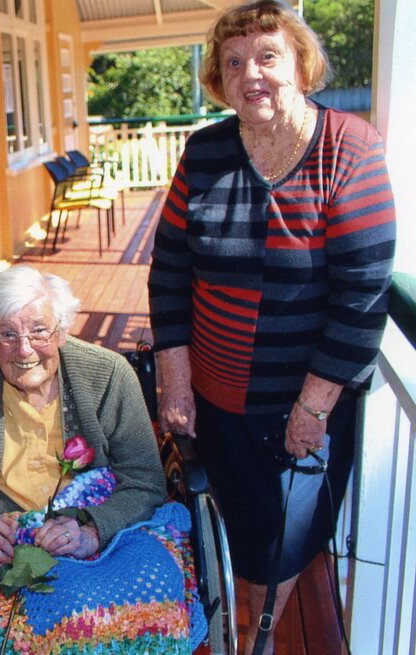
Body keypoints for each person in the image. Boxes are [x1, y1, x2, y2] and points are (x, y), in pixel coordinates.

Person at [148, 2, 396, 653]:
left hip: (304, 405)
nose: (249, 73)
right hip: (218, 400)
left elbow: (362, 296)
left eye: (266, 56)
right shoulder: (204, 152)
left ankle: (253, 639)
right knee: (239, 529)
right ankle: (246, 625)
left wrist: (313, 407)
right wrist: (174, 379)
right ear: (218, 80)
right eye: (233, 62)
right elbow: (170, 271)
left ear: (300, 65)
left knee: (280, 546)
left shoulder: (349, 147)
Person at [0, 266, 207, 654]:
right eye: (8, 335)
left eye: (38, 330)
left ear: (62, 329)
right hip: (14, 545)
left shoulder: (109, 376)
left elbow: (146, 483)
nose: (25, 349)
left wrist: (92, 530)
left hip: (107, 529)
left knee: (142, 597)